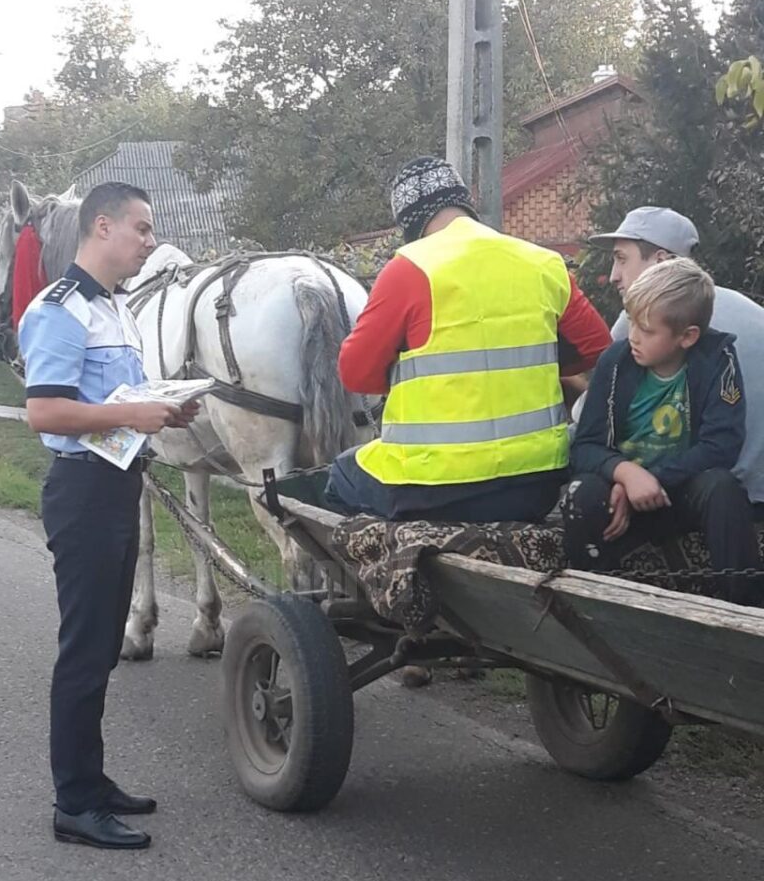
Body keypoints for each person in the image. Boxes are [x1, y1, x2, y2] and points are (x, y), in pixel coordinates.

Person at [20, 182, 199, 850]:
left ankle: (91, 783)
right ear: (102, 226)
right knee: (85, 650)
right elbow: (45, 410)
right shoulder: (61, 308)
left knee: (100, 650)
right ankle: (74, 803)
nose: (151, 242)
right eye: (142, 229)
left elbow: (114, 400)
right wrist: (132, 413)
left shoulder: (115, 307)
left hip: (118, 484)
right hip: (84, 492)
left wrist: (164, 410)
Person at [325, 156, 612, 522]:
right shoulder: (544, 263)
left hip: (432, 489)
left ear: (409, 223)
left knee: (341, 475)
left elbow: (355, 373)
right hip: (537, 484)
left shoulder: (410, 267)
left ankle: (382, 558)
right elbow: (596, 347)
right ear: (465, 204)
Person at [563, 257, 761, 604]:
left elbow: (721, 446)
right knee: (582, 493)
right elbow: (587, 445)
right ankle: (592, 598)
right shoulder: (616, 361)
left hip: (679, 490)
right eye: (632, 323)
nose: (634, 337)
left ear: (687, 336)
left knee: (723, 487)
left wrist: (652, 479)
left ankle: (745, 605)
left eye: (647, 330)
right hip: (618, 492)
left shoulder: (718, 360)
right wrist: (625, 474)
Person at [588, 206, 764, 506]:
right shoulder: (749, 310)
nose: (614, 275)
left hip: (694, 490)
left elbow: (590, 428)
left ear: (661, 261)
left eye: (622, 259)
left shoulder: (643, 322)